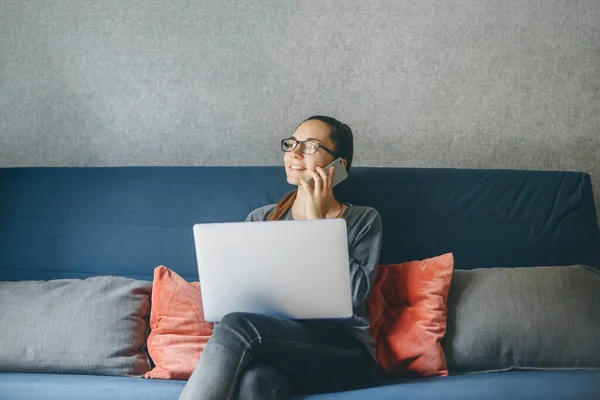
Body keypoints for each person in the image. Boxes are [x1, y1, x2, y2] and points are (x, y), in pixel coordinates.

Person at [179, 116, 383, 400]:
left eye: (310, 146)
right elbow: (240, 294)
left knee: (238, 325)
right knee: (255, 384)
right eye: (292, 144)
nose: (294, 153)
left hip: (345, 352)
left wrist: (316, 224)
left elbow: (353, 295)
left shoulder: (363, 219)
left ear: (338, 167)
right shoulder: (261, 218)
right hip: (277, 346)